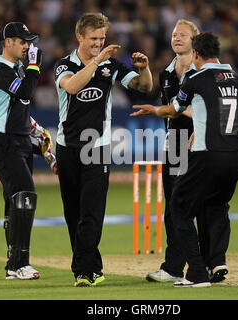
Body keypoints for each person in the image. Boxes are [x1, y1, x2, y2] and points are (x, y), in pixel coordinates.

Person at [131, 32, 238, 287]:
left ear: (195, 53)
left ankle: (195, 272)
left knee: (179, 208)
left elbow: (174, 109)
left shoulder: (195, 78)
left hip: (208, 154)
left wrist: (154, 110)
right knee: (216, 205)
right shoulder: (237, 78)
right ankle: (214, 260)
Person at [53, 12, 153, 287]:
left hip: (97, 148)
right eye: (94, 38)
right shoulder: (64, 65)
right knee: (73, 213)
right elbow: (73, 87)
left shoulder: (111, 66)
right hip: (67, 146)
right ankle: (91, 266)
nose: (99, 43)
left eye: (102, 38)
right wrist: (97, 61)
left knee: (92, 212)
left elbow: (144, 87)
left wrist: (144, 68)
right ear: (79, 37)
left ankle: (83, 271)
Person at [0, 22, 55, 280]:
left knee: (15, 199)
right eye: (23, 41)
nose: (27, 46)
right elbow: (26, 91)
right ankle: (19, 263)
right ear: (8, 42)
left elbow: (20, 106)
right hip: (4, 141)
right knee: (25, 195)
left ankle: (13, 266)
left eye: (28, 41)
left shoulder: (15, 68)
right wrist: (35, 67)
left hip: (20, 138)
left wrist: (34, 129)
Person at [145, 19, 199, 283]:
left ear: (194, 41)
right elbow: (169, 111)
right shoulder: (166, 73)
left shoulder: (202, 71)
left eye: (183, 35)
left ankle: (207, 263)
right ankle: (174, 267)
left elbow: (210, 108)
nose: (177, 38)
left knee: (203, 206)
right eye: (174, 34)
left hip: (200, 144)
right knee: (174, 207)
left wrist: (197, 126)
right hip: (176, 145)